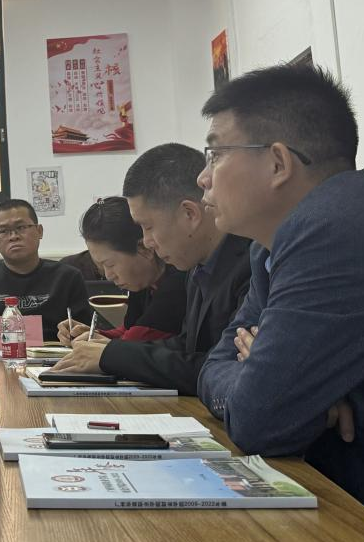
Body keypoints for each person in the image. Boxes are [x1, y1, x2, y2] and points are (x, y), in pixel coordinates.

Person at [195, 64, 364, 542]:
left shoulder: (334, 235)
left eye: (216, 153)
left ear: (278, 163)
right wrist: (283, 387)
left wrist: (279, 388)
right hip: (359, 516)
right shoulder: (274, 246)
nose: (203, 177)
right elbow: (213, 367)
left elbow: (259, 419)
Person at [52, 144, 251, 394]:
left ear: (189, 214)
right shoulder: (197, 268)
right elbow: (186, 347)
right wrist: (110, 351)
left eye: (148, 227)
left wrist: (113, 355)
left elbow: (222, 367)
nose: (147, 243)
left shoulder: (251, 264)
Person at [0, 199, 91, 341]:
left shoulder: (67, 277)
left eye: (21, 227)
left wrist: (74, 334)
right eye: (3, 231)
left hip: (57, 354)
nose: (13, 236)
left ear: (39, 231)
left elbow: (86, 334)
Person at [72, 197, 186, 342]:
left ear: (145, 249)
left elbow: (135, 340)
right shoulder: (144, 282)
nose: (108, 276)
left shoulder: (178, 282)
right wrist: (91, 334)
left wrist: (95, 342)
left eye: (110, 264)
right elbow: (128, 329)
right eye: (101, 267)